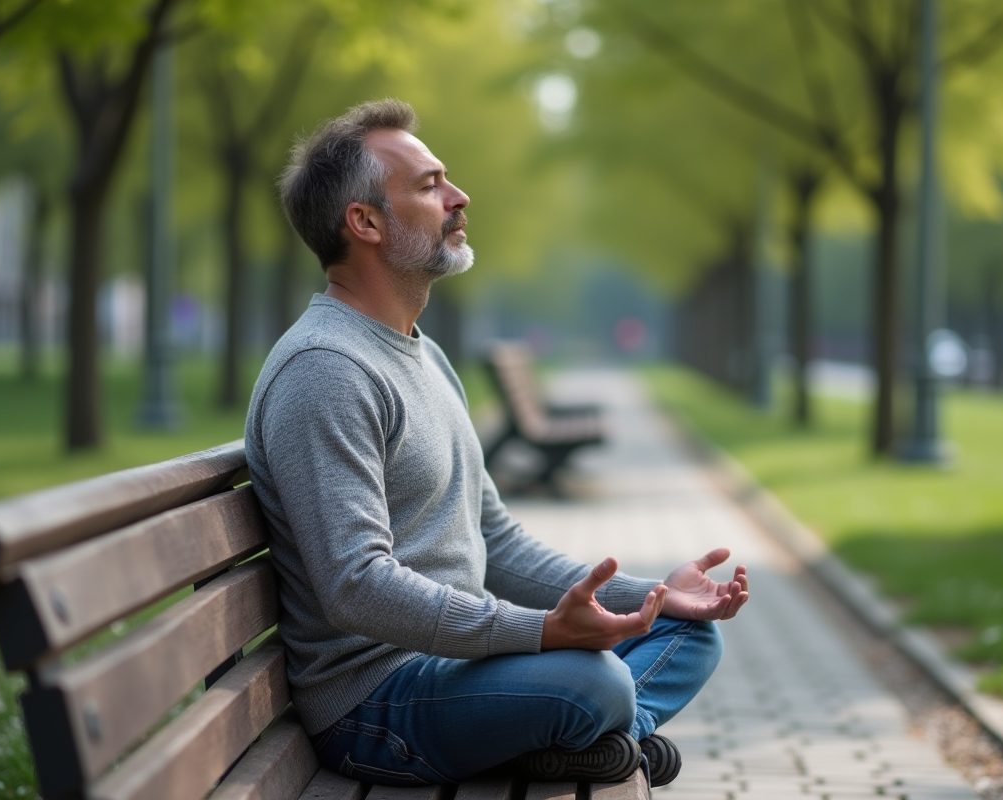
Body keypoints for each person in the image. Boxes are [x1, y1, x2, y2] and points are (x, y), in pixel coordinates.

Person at [244, 98, 749, 789]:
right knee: (594, 682)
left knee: (688, 635)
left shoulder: (422, 355)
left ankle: (603, 742)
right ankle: (605, 732)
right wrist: (540, 634)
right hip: (378, 702)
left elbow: (496, 541)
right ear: (362, 222)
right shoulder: (326, 370)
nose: (459, 196)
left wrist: (650, 598)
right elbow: (356, 588)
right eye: (429, 186)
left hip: (456, 666)